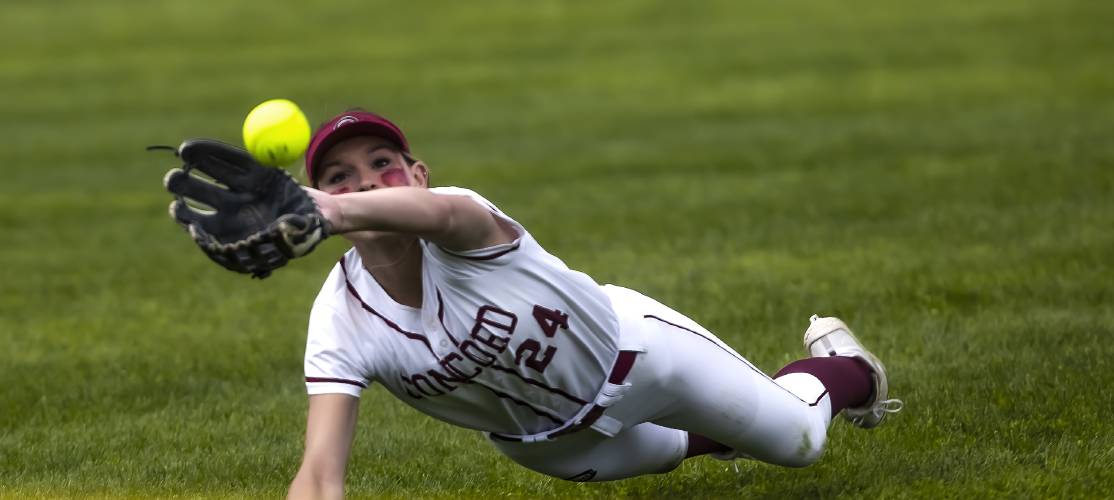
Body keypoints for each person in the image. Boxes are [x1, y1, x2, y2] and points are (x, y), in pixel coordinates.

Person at [286, 110, 903, 499]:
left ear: (419, 176)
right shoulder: (340, 319)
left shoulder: (459, 216)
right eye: (338, 176)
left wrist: (333, 208)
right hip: (555, 447)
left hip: (646, 358)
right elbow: (319, 475)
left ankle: (852, 371)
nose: (364, 181)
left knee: (798, 442)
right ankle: (726, 420)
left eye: (382, 164)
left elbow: (440, 215)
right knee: (684, 449)